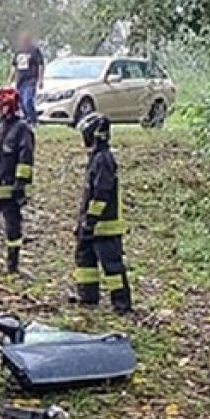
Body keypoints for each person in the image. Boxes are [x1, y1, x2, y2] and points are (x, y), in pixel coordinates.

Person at [73, 112, 131, 313]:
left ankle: (121, 303)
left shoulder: (104, 159)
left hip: (104, 226)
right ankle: (87, 297)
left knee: (112, 267)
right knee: (84, 262)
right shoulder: (96, 158)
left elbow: (102, 193)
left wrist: (91, 218)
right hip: (90, 225)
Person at [0, 86, 35, 274]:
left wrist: (20, 184)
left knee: (12, 228)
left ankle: (12, 265)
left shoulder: (22, 130)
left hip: (10, 190)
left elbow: (25, 158)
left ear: (8, 107)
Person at [7, 32, 45, 125]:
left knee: (27, 100)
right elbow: (14, 67)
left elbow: (40, 65)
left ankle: (33, 119)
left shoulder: (35, 51)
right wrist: (9, 80)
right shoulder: (18, 52)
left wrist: (40, 80)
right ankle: (26, 119)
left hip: (30, 80)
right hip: (20, 81)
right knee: (20, 101)